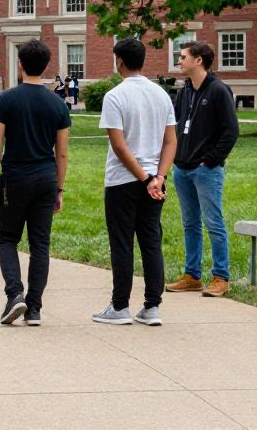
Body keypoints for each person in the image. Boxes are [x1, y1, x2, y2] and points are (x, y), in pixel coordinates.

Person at [92, 38, 176, 326]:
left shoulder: (115, 96)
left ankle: (119, 307)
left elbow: (119, 145)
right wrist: (159, 177)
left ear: (120, 62)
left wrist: (144, 178)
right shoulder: (161, 95)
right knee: (151, 241)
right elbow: (170, 141)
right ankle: (152, 307)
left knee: (122, 243)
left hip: (123, 181)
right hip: (155, 179)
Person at [0, 39, 70, 326]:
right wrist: (60, 187)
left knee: (7, 238)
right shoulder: (57, 104)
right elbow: (62, 151)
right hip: (46, 178)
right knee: (40, 245)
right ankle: (34, 309)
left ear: (20, 64)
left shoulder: (6, 99)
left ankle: (15, 295)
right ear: (47, 66)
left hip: (15, 177)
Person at [165, 42, 240, 298]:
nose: (179, 60)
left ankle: (221, 277)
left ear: (198, 60)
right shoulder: (184, 91)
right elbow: (176, 126)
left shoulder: (219, 90)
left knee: (213, 223)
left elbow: (231, 131)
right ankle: (192, 275)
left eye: (183, 56)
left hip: (206, 171)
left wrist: (211, 160)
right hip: (182, 169)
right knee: (190, 224)